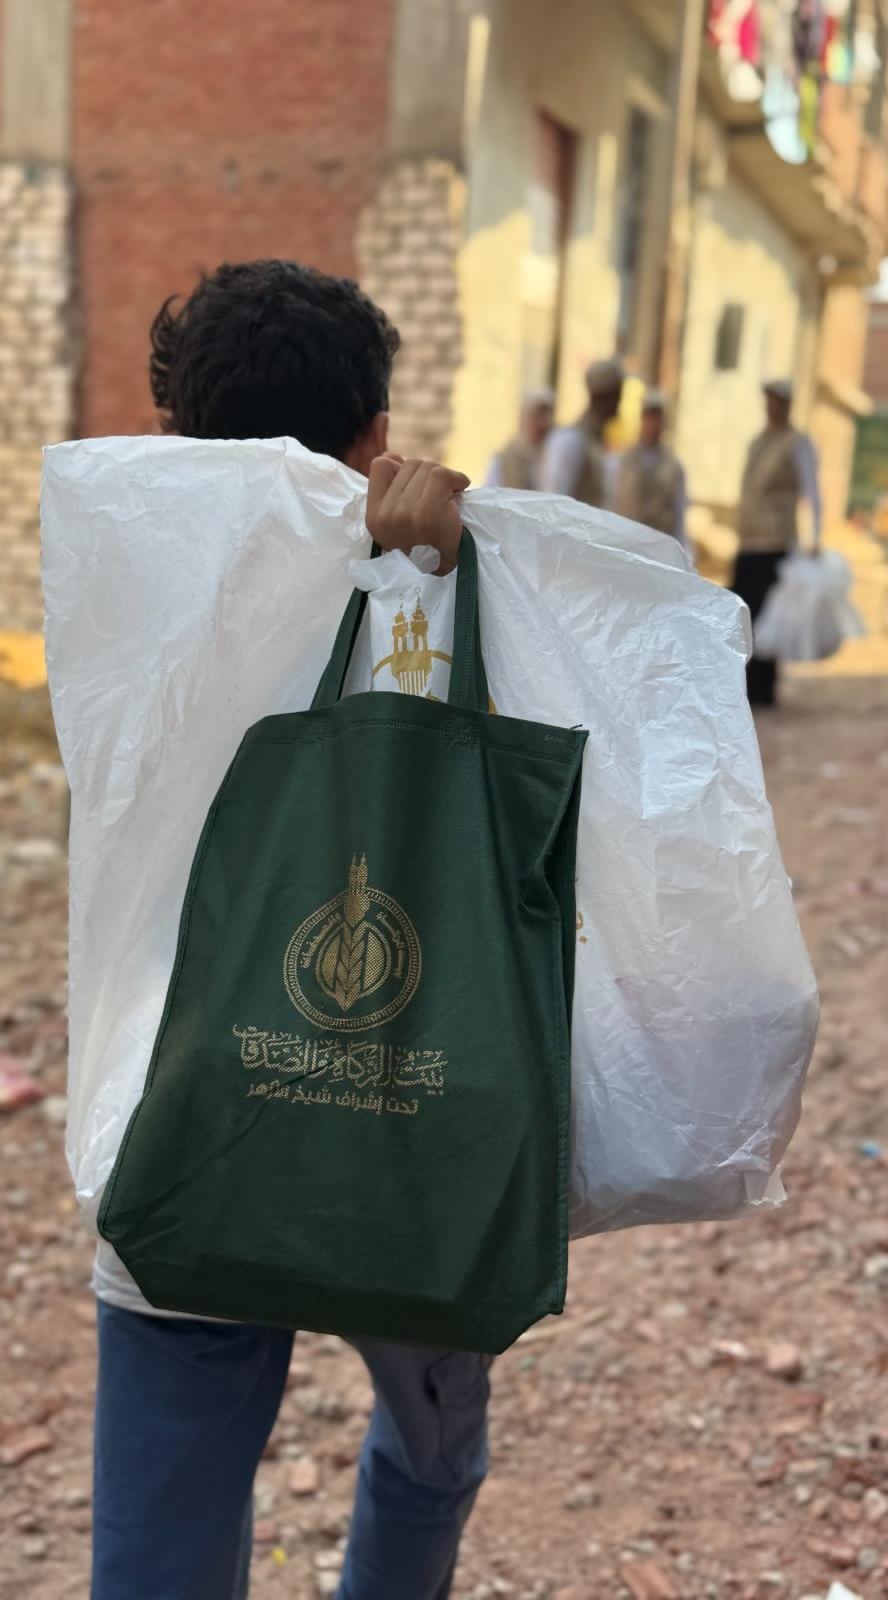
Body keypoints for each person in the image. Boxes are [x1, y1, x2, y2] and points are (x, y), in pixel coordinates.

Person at [91, 260, 486, 1600]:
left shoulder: (117, 585)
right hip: (409, 1116)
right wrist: (440, 571)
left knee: (163, 1530)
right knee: (434, 1448)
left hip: (177, 1115)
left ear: (171, 436)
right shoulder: (437, 584)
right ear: (376, 434)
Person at [733, 377, 823, 707]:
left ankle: (762, 689)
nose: (773, 406)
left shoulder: (797, 443)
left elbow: (812, 492)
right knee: (744, 615)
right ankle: (743, 686)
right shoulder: (758, 442)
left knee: (768, 618)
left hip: (775, 543)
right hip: (749, 541)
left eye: (778, 400)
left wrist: (813, 538)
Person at [539, 357, 624, 506]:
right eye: (618, 394)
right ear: (607, 397)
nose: (620, 401)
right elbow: (555, 503)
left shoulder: (597, 442)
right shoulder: (570, 440)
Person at [614, 388, 689, 550]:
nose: (653, 424)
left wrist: (682, 549)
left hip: (658, 546)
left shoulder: (674, 466)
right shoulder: (624, 461)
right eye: (649, 417)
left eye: (657, 418)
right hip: (627, 544)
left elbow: (679, 513)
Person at [484, 388, 554, 489]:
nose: (543, 423)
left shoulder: (554, 455)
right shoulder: (504, 459)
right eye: (537, 416)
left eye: (547, 416)